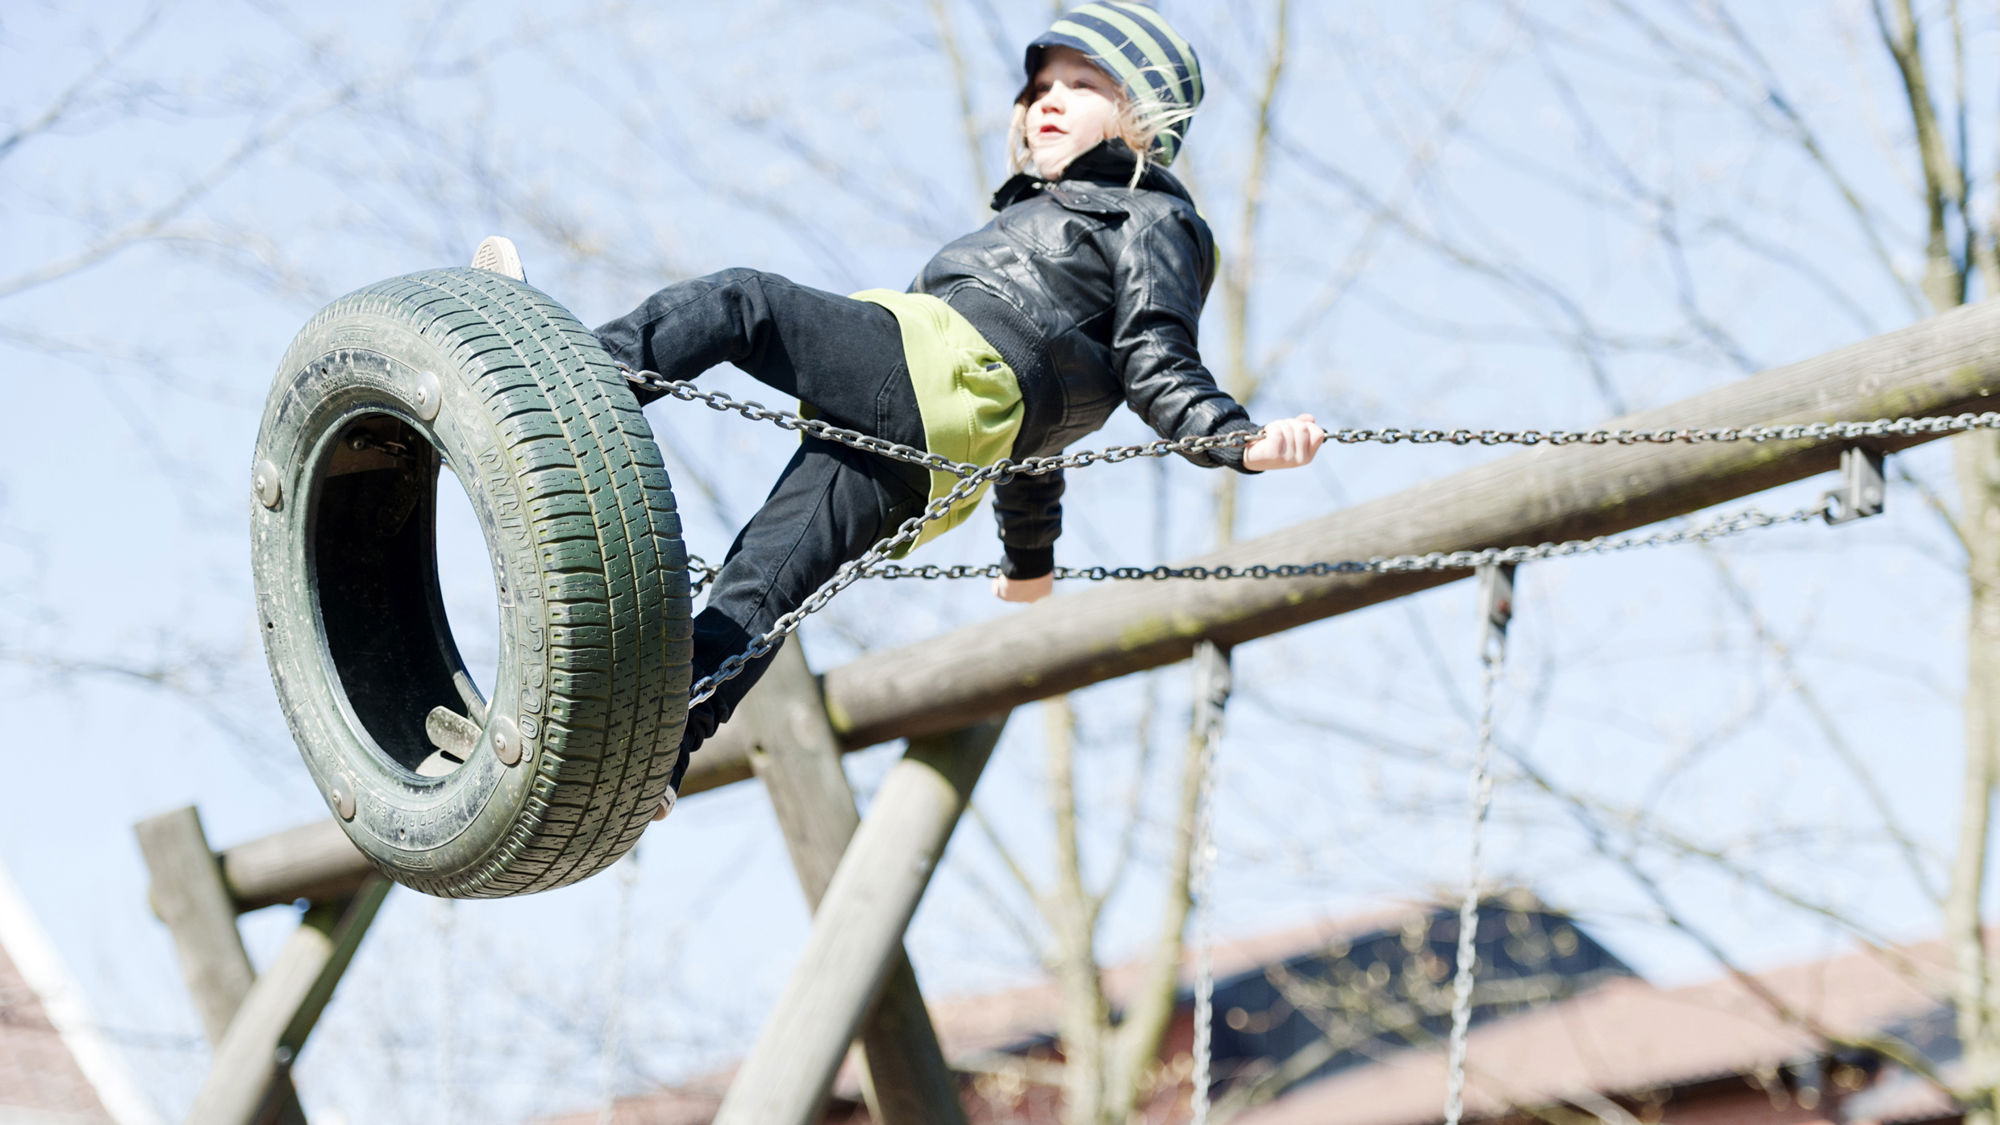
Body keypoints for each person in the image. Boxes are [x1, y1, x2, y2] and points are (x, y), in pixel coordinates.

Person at [471, 2, 1324, 816]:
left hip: (933, 369)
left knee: (744, 302)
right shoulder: (1041, 215)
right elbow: (1048, 430)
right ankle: (654, 760)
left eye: (1082, 84)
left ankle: (566, 379)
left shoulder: (1151, 218)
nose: (1047, 101)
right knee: (762, 584)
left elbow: (1154, 357)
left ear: (1143, 113)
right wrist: (1030, 564)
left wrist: (1237, 441)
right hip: (943, 443)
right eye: (1039, 89)